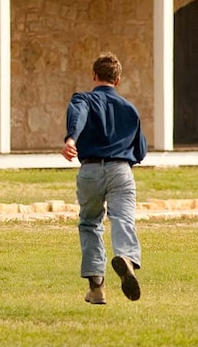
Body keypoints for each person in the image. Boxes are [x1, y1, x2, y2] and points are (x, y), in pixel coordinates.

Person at [61, 52, 147, 305]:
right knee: (123, 218)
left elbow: (79, 116)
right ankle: (127, 258)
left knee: (90, 223)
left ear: (94, 75)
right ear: (117, 80)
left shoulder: (83, 99)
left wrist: (71, 139)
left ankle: (97, 288)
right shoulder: (130, 109)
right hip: (121, 169)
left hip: (90, 170)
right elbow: (140, 150)